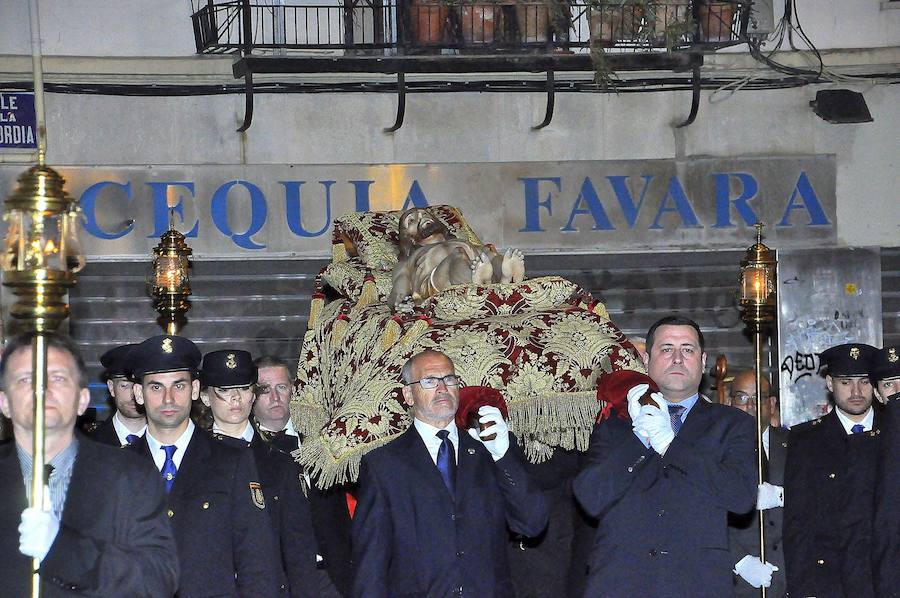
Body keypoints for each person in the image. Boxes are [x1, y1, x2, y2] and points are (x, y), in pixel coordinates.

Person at [573, 315, 757, 597]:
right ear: (646, 360)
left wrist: (670, 443)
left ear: (703, 360)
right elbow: (590, 497)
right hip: (621, 583)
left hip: (698, 584)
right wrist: (641, 439)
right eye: (666, 348)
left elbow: (741, 498)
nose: (677, 358)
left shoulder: (733, 424)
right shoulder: (615, 423)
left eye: (687, 349)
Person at [350, 349, 548, 598]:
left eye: (449, 379)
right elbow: (370, 564)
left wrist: (502, 456)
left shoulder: (491, 450)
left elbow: (532, 523)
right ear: (409, 395)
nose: (442, 388)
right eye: (429, 381)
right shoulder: (384, 464)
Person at [0, 332, 178, 596]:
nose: (43, 389)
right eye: (27, 379)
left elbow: (157, 581)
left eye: (58, 378)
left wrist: (63, 549)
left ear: (83, 399)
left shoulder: (130, 477)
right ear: (4, 402)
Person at [126, 334, 281, 597]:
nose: (168, 399)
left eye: (178, 386)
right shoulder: (119, 465)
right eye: (155, 387)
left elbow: (257, 563)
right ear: (139, 393)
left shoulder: (231, 460)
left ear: (196, 389)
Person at [199, 349, 319, 598]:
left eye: (244, 388)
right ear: (205, 396)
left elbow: (299, 547)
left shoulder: (281, 459)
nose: (236, 399)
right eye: (224, 390)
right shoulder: (192, 461)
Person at [783, 342, 881, 598]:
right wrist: (803, 589)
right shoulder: (805, 440)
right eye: (846, 382)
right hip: (830, 580)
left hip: (885, 578)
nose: (857, 391)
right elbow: (798, 524)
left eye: (865, 381)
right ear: (830, 384)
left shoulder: (893, 432)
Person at [254, 355, 353, 597]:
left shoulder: (325, 440)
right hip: (274, 579)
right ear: (250, 394)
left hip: (332, 575)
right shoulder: (243, 449)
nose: (275, 397)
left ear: (293, 389)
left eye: (282, 387)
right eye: (264, 390)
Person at [726, 370, 787, 596]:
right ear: (728, 403)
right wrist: (739, 561)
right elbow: (698, 514)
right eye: (742, 398)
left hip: (789, 579)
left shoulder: (796, 445)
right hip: (735, 580)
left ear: (771, 404)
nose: (750, 405)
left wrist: (782, 496)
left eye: (759, 398)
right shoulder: (712, 451)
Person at [88, 343, 146, 447]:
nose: (134, 394)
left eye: (140, 386)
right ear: (111, 388)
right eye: (125, 386)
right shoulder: (90, 444)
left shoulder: (169, 442)